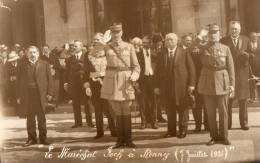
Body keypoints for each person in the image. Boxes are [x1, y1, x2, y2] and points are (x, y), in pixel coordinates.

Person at [101, 23, 140, 148]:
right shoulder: (106, 47)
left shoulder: (129, 47)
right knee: (117, 110)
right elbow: (93, 56)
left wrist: (134, 76)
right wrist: (103, 41)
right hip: (112, 80)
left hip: (125, 80)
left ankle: (128, 139)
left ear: (122, 32)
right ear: (110, 34)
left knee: (126, 109)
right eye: (113, 33)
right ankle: (119, 140)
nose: (116, 35)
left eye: (118, 32)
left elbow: (136, 66)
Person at [198, 24, 235, 145]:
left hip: (222, 81)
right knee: (210, 111)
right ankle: (213, 136)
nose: (213, 35)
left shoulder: (225, 48)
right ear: (208, 35)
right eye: (211, 33)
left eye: (215, 33)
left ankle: (224, 136)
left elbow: (231, 68)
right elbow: (191, 47)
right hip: (207, 82)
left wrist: (232, 84)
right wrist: (200, 36)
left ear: (220, 35)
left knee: (223, 111)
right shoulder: (203, 48)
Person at [154, 33, 196, 139]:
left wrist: (191, 84)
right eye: (167, 40)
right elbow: (157, 71)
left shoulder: (184, 52)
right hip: (167, 88)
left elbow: (192, 69)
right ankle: (171, 131)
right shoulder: (162, 53)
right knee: (170, 110)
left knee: (183, 109)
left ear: (177, 41)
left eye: (172, 40)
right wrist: (157, 86)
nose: (169, 42)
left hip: (181, 87)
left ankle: (183, 131)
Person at [17, 46, 54, 146]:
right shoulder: (22, 65)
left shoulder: (44, 64)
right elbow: (19, 81)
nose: (32, 54)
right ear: (26, 54)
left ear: (38, 53)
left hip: (40, 94)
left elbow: (50, 79)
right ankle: (31, 138)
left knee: (41, 117)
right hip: (28, 94)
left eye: (34, 52)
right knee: (30, 117)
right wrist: (18, 96)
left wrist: (50, 93)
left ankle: (43, 138)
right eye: (30, 52)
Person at [85, 33, 116, 139]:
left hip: (107, 83)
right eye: (94, 40)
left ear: (103, 40)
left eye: (98, 39)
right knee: (97, 109)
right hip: (94, 85)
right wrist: (87, 85)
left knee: (109, 108)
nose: (95, 41)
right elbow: (86, 72)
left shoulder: (108, 52)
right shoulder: (88, 55)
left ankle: (114, 130)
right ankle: (99, 132)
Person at [220, 21, 251, 130]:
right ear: (229, 29)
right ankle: (227, 124)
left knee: (243, 100)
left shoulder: (246, 39)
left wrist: (247, 57)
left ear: (240, 30)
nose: (234, 31)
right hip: (229, 75)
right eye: (232, 29)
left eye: (236, 29)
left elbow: (251, 55)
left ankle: (244, 123)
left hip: (242, 75)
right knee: (228, 101)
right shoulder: (223, 41)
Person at [64, 40, 94, 128]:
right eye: (73, 46)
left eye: (76, 46)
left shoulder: (87, 57)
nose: (74, 47)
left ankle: (89, 122)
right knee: (75, 103)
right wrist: (66, 82)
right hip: (74, 84)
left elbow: (89, 70)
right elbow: (67, 71)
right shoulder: (70, 58)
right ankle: (78, 123)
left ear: (81, 47)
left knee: (87, 103)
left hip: (84, 83)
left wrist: (89, 82)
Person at [188, 29, 209, 132]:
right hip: (196, 81)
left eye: (206, 36)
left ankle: (208, 125)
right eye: (202, 36)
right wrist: (199, 37)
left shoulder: (208, 46)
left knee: (208, 105)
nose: (204, 38)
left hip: (207, 81)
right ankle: (197, 126)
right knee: (197, 105)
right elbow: (190, 48)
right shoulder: (194, 48)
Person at [136, 36, 158, 129]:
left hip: (152, 80)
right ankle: (143, 122)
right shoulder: (138, 54)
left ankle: (154, 122)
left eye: (146, 43)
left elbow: (158, 68)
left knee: (153, 102)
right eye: (143, 43)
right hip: (142, 80)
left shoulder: (156, 54)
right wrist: (136, 81)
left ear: (150, 43)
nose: (144, 44)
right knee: (142, 102)